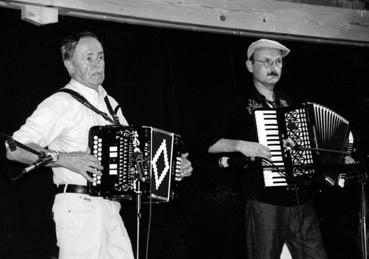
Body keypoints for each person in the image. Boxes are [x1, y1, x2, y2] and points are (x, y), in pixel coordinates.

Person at [6, 31, 193, 259]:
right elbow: (14, 148)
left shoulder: (110, 103)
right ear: (69, 65)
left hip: (111, 208)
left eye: (101, 57)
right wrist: (66, 159)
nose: (98, 64)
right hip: (79, 207)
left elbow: (135, 154)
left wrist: (171, 167)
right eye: (88, 58)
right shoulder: (60, 103)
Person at [206, 38, 328, 259]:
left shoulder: (289, 102)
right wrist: (240, 145)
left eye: (279, 62)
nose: (274, 67)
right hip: (264, 201)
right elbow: (207, 143)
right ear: (250, 66)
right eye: (267, 61)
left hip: (299, 199)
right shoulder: (236, 104)